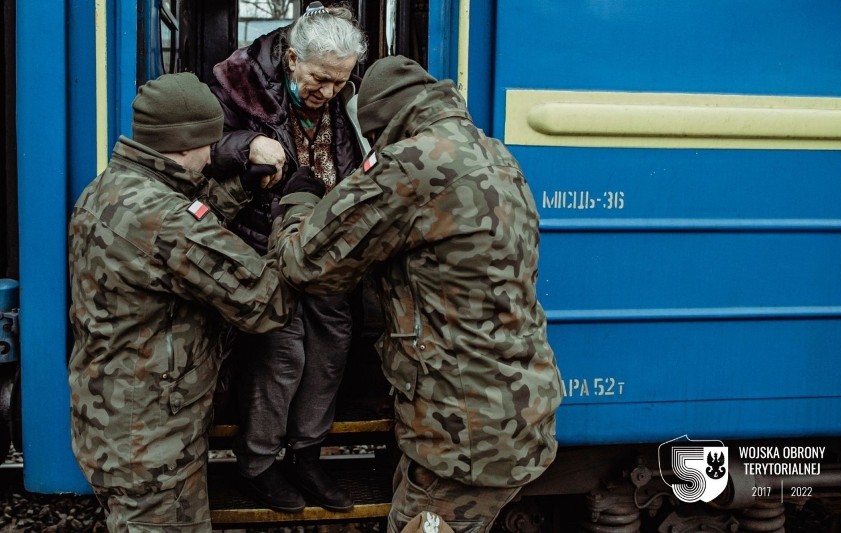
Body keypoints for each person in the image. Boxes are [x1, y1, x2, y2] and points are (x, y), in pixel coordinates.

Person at [269, 56, 564, 533]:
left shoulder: (414, 162)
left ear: (383, 125)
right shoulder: (493, 153)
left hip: (462, 436)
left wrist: (300, 198)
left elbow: (306, 263)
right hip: (507, 411)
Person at [67, 72, 304, 532]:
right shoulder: (163, 218)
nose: (214, 153)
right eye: (209, 143)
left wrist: (242, 187)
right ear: (183, 143)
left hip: (117, 421)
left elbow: (177, 244)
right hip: (152, 444)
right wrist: (296, 212)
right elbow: (265, 301)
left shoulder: (111, 189)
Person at [206, 1, 368, 513]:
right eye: (321, 80)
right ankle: (257, 464)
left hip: (325, 244)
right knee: (282, 352)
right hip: (263, 240)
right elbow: (199, 146)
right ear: (293, 58)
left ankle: (307, 456)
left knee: (331, 345)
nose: (329, 93)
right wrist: (246, 145)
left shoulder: (345, 96)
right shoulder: (236, 78)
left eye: (340, 83)